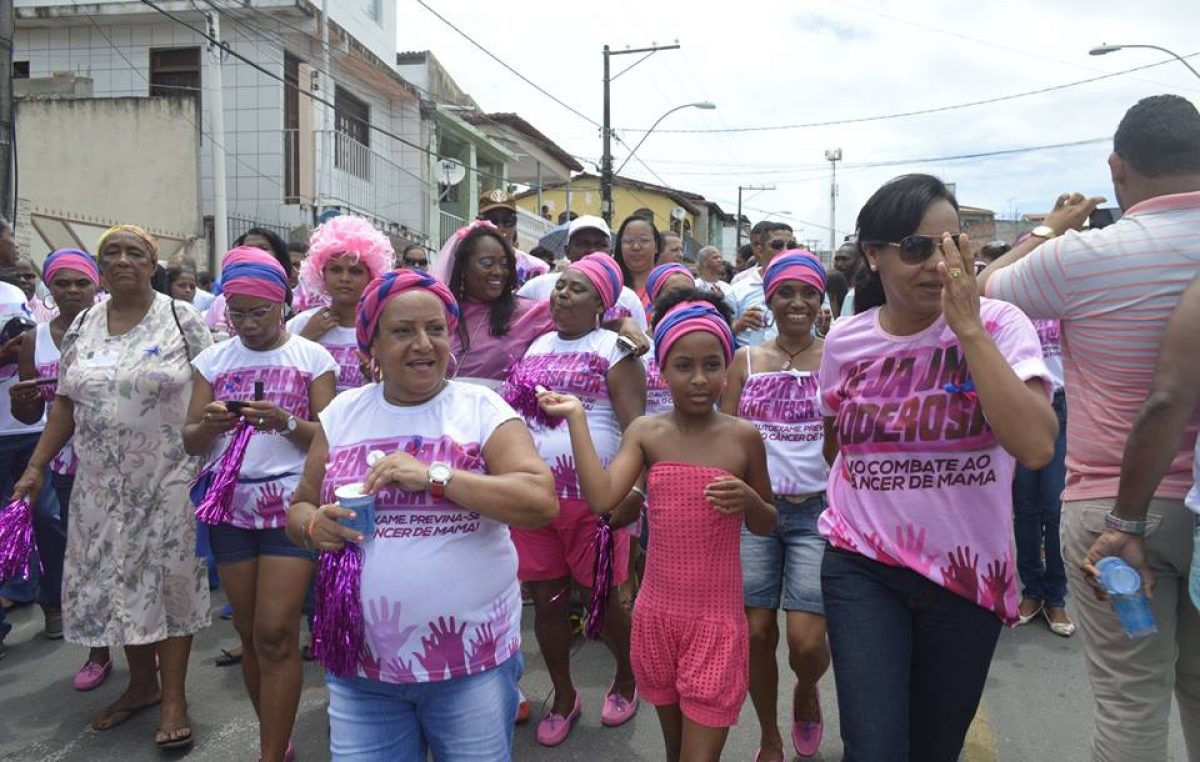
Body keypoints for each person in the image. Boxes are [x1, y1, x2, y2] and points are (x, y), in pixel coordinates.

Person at [980, 94, 1200, 762]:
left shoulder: (1084, 255)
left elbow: (983, 291)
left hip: (1113, 506)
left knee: (1130, 704)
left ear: (1117, 168)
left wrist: (1050, 228)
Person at [820, 174, 1056, 761]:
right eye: (916, 248)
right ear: (873, 255)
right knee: (873, 748)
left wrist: (968, 328)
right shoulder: (845, 341)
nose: (937, 264)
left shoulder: (1001, 325)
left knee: (935, 748)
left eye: (951, 246)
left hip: (965, 572)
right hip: (863, 564)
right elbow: (836, 445)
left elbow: (1035, 447)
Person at [286, 269, 557, 761]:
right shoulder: (342, 413)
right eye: (402, 331)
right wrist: (312, 525)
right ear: (372, 344)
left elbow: (539, 500)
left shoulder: (482, 408)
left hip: (470, 665)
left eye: (435, 329)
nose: (423, 344)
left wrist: (436, 476)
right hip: (360, 667)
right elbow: (300, 506)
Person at [538, 292, 776, 762]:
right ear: (662, 370)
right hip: (656, 619)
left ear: (727, 368)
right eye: (684, 366)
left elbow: (766, 523)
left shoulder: (744, 437)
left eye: (712, 365)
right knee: (673, 752)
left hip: (715, 624)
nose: (699, 378)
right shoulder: (646, 432)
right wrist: (577, 419)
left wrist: (750, 500)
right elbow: (603, 499)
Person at [12, 224, 214, 749]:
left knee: (168, 583)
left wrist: (206, 452)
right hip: (98, 486)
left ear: (152, 264)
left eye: (135, 253)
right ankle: (142, 685)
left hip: (168, 479)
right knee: (120, 582)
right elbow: (66, 402)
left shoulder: (181, 318)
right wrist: (36, 465)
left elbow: (211, 385)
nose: (123, 260)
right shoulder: (83, 324)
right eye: (112, 253)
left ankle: (174, 698)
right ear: (101, 267)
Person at [183, 246, 337, 762]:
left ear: (282, 304)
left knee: (276, 631)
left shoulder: (312, 358)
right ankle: (277, 739)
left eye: (259, 312)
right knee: (250, 633)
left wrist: (285, 422)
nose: (248, 324)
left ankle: (269, 753)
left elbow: (329, 439)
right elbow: (190, 440)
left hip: (291, 503)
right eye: (237, 313)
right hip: (230, 505)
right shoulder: (213, 359)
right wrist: (209, 424)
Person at [504, 252, 645, 747]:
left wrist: (635, 491)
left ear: (601, 303)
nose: (562, 294)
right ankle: (564, 696)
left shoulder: (616, 349)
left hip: (595, 500)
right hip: (536, 499)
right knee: (547, 604)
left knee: (601, 602)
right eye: (560, 285)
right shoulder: (536, 344)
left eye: (577, 288)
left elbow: (637, 430)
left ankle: (627, 677)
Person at [721, 251, 831, 760]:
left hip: (818, 514)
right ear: (769, 298)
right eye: (785, 292)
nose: (797, 302)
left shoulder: (837, 355)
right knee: (756, 633)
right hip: (754, 512)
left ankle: (806, 692)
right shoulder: (744, 361)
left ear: (821, 299)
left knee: (807, 644)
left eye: (808, 292)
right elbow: (724, 437)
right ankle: (769, 735)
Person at [7, 249, 111, 685]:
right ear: (48, 287)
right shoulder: (36, 340)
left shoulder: (115, 327)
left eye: (81, 282)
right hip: (70, 465)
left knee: (129, 554)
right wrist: (23, 402)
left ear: (96, 285)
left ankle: (145, 643)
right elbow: (33, 413)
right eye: (62, 283)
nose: (72, 291)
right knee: (84, 558)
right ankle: (98, 650)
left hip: (122, 457)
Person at [1013, 310, 1073, 637]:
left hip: (1064, 405)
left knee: (1054, 508)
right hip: (1021, 404)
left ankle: (1055, 597)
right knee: (1024, 508)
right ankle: (1032, 591)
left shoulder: (1066, 301)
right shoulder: (1015, 303)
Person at [290, 216, 394, 394]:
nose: (345, 278)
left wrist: (377, 377)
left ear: (372, 276)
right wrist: (305, 339)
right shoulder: (301, 324)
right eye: (336, 270)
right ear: (322, 273)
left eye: (355, 271)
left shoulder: (384, 327)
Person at [518, 215, 650, 332]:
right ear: (567, 251)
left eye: (600, 245)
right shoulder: (536, 288)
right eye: (582, 244)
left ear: (610, 252)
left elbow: (642, 344)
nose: (592, 250)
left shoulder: (628, 298)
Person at [726, 222, 795, 347]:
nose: (785, 251)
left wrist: (821, 325)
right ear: (760, 251)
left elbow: (824, 330)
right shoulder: (737, 291)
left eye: (791, 246)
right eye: (777, 245)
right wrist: (739, 325)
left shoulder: (809, 290)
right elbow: (720, 336)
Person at [477, 189, 550, 286]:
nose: (500, 228)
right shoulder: (466, 264)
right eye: (492, 221)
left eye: (507, 221)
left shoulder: (536, 268)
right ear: (479, 222)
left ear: (515, 223)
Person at [613, 214, 662, 314]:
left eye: (644, 240)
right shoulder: (611, 287)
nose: (636, 247)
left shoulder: (666, 286)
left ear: (656, 246)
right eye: (628, 241)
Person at [832, 240, 862, 316]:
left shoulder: (862, 292)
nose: (839, 264)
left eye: (844, 259)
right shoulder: (830, 290)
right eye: (836, 259)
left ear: (859, 261)